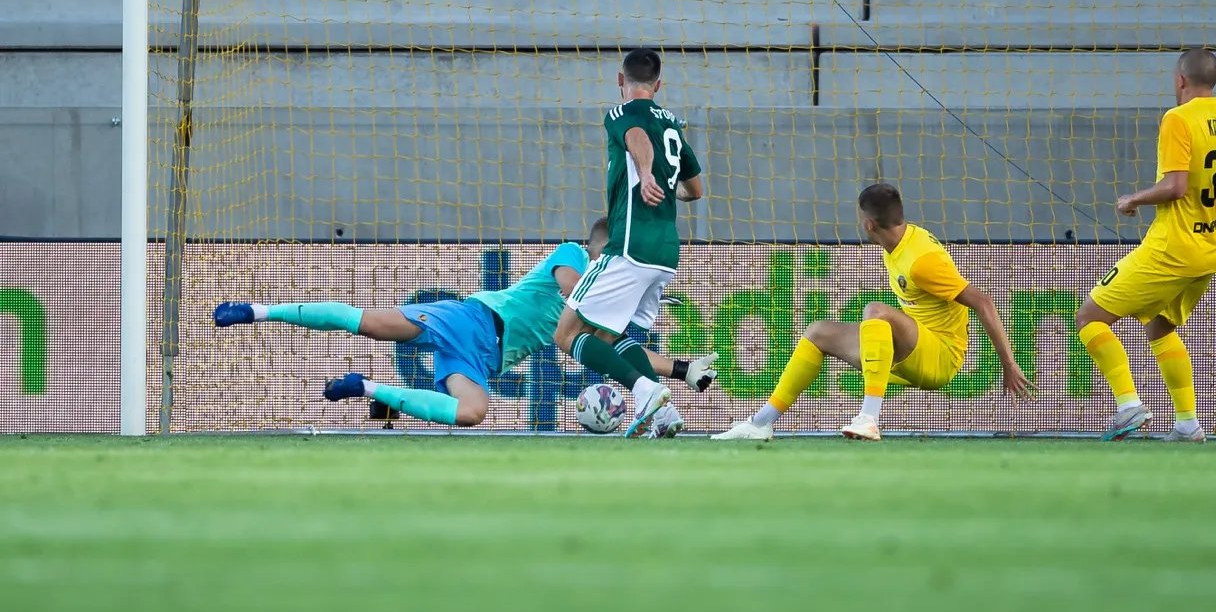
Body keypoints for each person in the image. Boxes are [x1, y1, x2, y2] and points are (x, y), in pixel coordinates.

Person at [212, 218, 716, 436]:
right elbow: (571, 287)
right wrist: (618, 297)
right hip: (471, 319)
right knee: (369, 323)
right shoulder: (574, 257)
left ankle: (369, 389)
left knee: (473, 412)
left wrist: (681, 368)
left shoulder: (593, 311)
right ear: (603, 248)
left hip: (481, 358)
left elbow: (621, 351)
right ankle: (259, 310)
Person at [713, 183, 1033, 441]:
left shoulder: (922, 260)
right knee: (817, 332)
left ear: (869, 223)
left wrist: (1008, 364)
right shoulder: (896, 243)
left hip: (939, 356)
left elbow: (983, 302)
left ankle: (868, 417)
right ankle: (760, 423)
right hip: (913, 347)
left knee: (876, 311)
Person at [1075, 49, 1216, 442]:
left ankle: (1128, 405)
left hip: (1172, 248)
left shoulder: (1178, 118)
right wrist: (1207, 202)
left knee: (1089, 317)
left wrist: (1133, 199)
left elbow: (1174, 186)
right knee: (1160, 327)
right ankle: (1188, 423)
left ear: (1180, 80)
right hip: (1210, 249)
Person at [553, 48, 704, 438]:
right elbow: (696, 189)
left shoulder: (621, 114)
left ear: (621, 80)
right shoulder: (672, 125)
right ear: (659, 84)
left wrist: (647, 173)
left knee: (566, 335)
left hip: (628, 247)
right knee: (608, 337)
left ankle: (645, 391)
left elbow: (637, 138)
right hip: (665, 254)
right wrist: (666, 185)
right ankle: (664, 414)